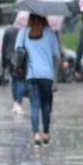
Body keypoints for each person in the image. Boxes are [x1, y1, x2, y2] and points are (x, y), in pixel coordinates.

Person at [15, 14, 59, 146]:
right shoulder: (50, 34)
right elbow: (56, 55)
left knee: (34, 105)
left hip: (31, 75)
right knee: (45, 105)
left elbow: (17, 51)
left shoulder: (23, 33)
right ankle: (45, 133)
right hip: (47, 76)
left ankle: (35, 135)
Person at [2, 23, 26, 114]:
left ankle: (15, 103)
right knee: (20, 80)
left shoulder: (8, 30)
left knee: (14, 80)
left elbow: (4, 47)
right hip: (20, 58)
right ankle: (18, 103)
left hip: (9, 58)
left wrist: (3, 63)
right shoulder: (24, 31)